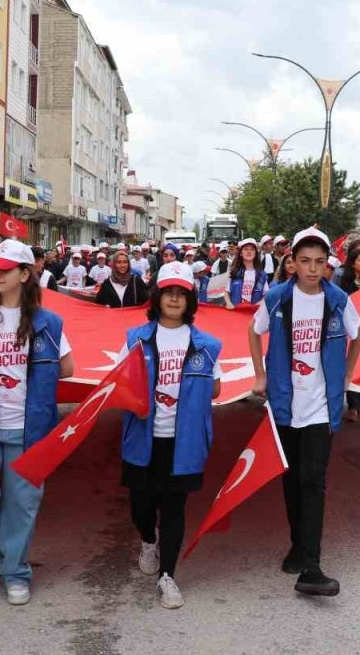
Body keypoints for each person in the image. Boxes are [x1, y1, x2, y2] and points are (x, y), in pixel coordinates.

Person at [0, 239, 75, 606]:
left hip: (31, 428)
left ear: (26, 274)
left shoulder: (48, 323)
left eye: (5, 269)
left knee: (22, 503)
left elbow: (68, 367)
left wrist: (44, 370)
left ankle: (17, 572)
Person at [249, 226, 360, 597]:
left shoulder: (339, 300)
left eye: (319, 262)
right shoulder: (278, 298)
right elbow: (254, 332)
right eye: (305, 261)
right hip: (284, 404)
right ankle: (297, 546)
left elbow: (358, 334)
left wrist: (346, 375)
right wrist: (260, 374)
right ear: (292, 263)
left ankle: (312, 565)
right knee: (292, 480)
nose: (312, 269)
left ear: (327, 264)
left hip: (320, 408)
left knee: (313, 482)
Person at [117, 261, 222, 609]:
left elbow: (216, 386)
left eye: (182, 293)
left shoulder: (206, 344)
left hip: (185, 442)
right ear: (158, 296)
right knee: (141, 505)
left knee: (175, 508)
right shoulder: (136, 337)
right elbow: (120, 382)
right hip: (144, 438)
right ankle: (148, 539)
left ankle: (168, 576)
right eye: (169, 292)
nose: (175, 299)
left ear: (190, 300)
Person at [338, 243, 360, 424]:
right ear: (352, 263)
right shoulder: (345, 284)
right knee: (352, 364)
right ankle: (352, 406)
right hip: (349, 329)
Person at [226, 238, 268, 309]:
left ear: (255, 253)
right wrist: (228, 303)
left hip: (254, 314)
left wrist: (260, 302)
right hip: (236, 312)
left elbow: (266, 294)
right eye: (246, 249)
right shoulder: (234, 272)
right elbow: (226, 292)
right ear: (241, 253)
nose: (249, 252)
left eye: (252, 249)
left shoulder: (261, 275)